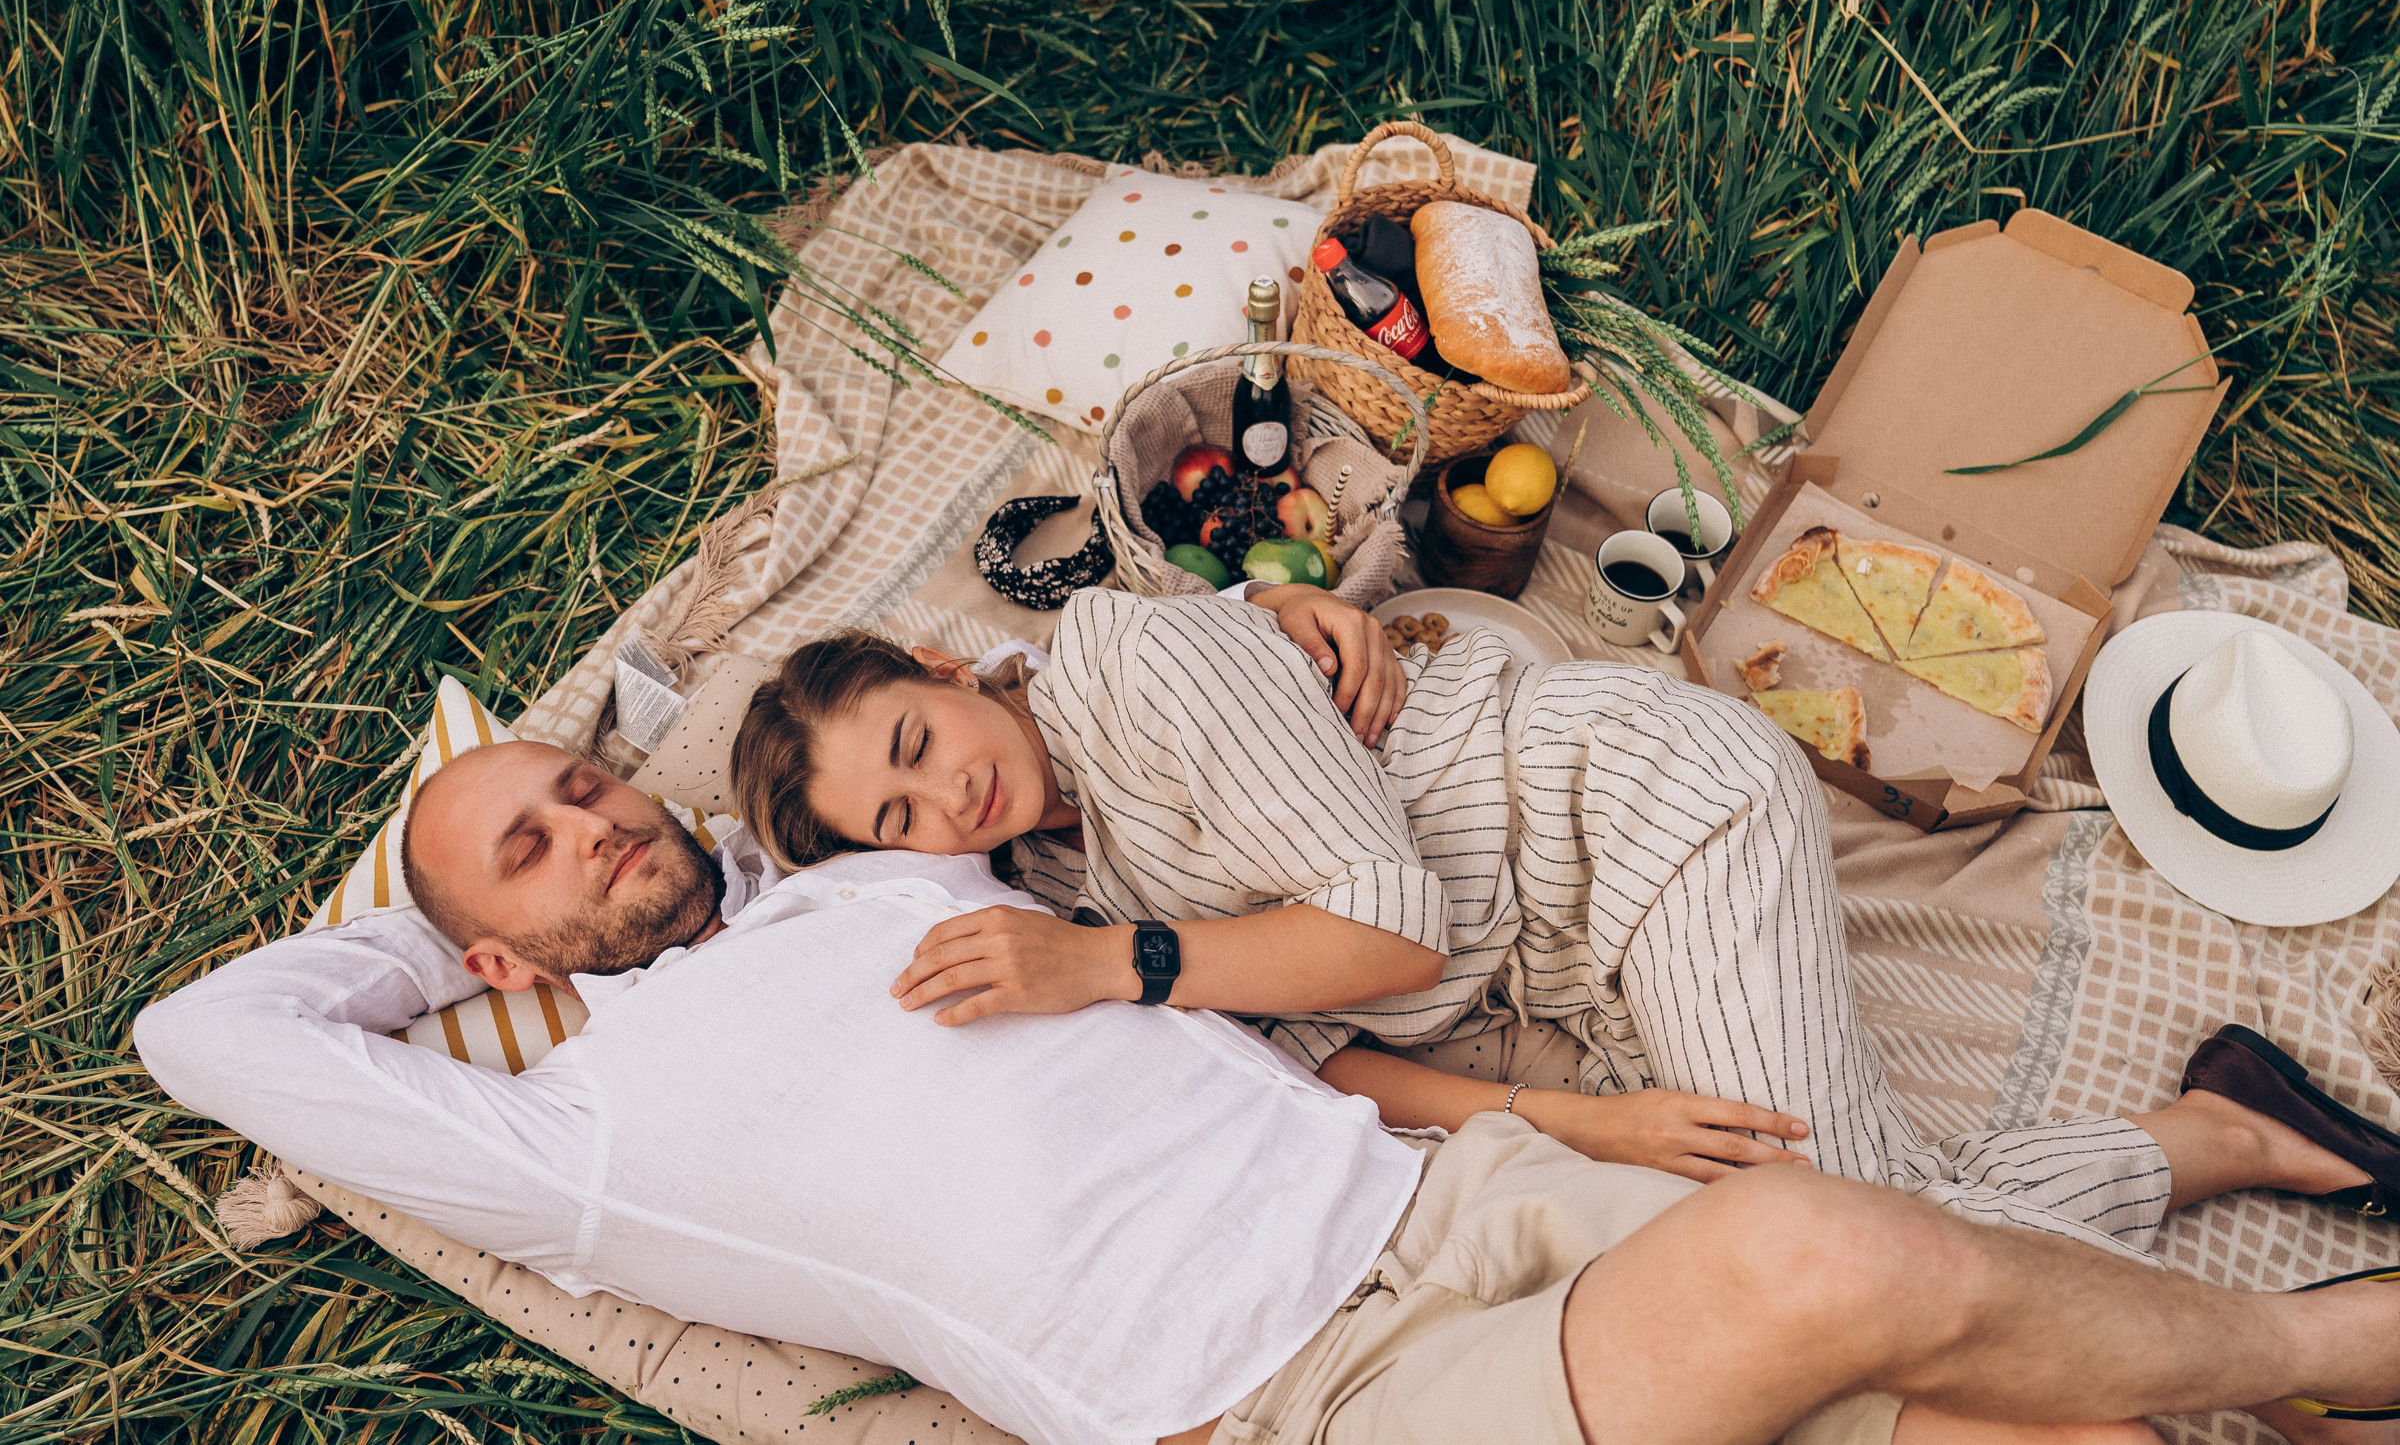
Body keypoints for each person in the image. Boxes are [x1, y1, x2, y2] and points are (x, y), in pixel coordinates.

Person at [132, 750, 2400, 1445]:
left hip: (1445, 1182)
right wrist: (438, 933)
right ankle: (2329, 1341)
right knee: (1843, 1252)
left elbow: (1016, 706)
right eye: (536, 841)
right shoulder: (572, 1114)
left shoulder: (857, 879)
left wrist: (1321, 639)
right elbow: (204, 1040)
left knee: (2061, 1419)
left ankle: (2247, 1297)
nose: (601, 820)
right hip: (1296, 1388)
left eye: (593, 781)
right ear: (496, 951)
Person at [728, 583, 2396, 1240]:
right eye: (896, 815)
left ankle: (2215, 1142)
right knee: (1793, 1218)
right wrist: (1586, 1122)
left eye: (918, 741)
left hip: (1642, 812)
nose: (947, 797)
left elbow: (1386, 935)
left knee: (1866, 1231)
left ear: (944, 669)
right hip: (1567, 995)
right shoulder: (1050, 892)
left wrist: (1116, 968)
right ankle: (2215, 1136)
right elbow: (1317, 1069)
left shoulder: (1124, 658)